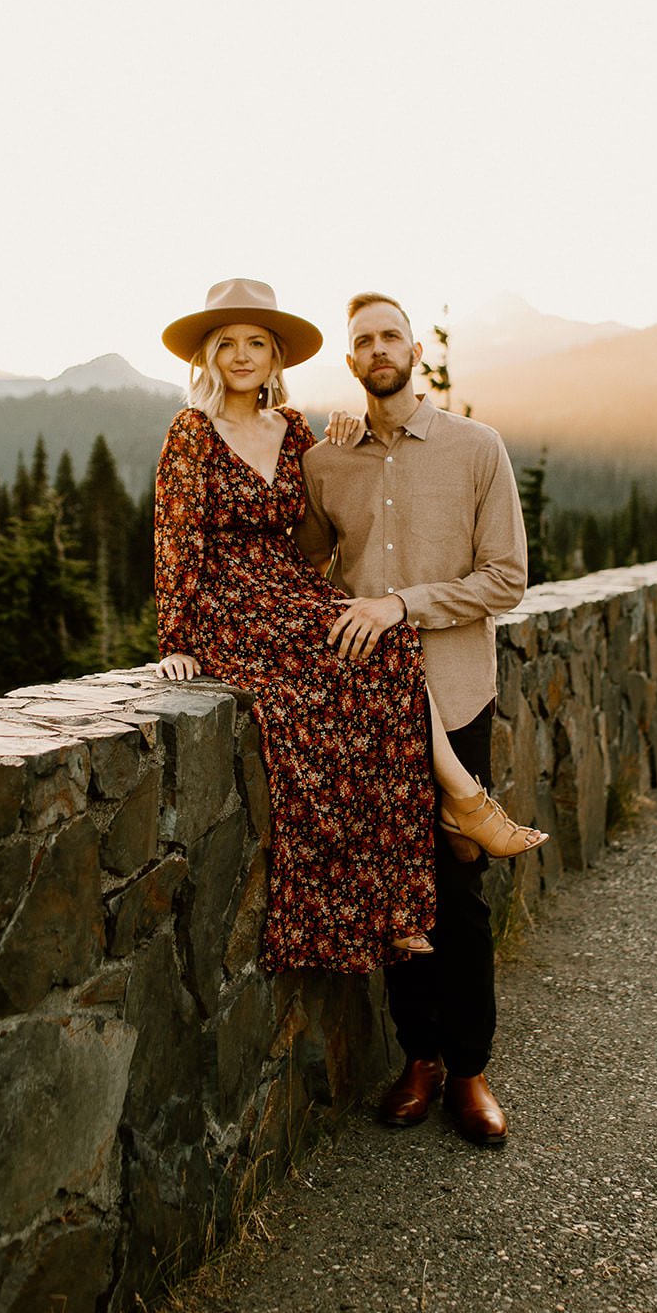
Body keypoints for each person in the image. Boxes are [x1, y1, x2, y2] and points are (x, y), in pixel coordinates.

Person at [152, 278, 542, 979]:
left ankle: (393, 903)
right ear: (208, 358)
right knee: (367, 654)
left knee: (371, 658)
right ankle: (462, 798)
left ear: (276, 359)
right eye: (226, 344)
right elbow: (174, 537)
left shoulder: (299, 430)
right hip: (229, 603)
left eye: (256, 344)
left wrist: (341, 435)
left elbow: (312, 525)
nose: (241, 356)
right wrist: (176, 639)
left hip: (289, 590)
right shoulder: (191, 431)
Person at [294, 290, 541, 1146]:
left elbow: (506, 579)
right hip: (369, 706)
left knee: (457, 887)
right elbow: (304, 566)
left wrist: (402, 604)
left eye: (388, 334)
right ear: (351, 360)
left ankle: (469, 1071)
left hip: (454, 693)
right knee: (390, 887)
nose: (376, 348)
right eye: (360, 340)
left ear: (413, 351)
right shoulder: (328, 463)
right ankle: (420, 1057)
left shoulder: (477, 449)